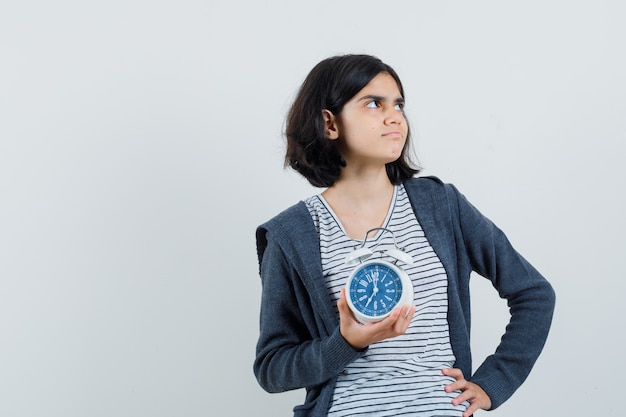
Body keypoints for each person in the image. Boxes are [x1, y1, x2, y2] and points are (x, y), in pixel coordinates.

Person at [253, 54, 555, 417]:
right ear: (329, 123)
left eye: (398, 104)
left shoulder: (441, 205)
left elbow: (534, 293)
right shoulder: (291, 235)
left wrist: (493, 382)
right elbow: (272, 367)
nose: (394, 116)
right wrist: (345, 342)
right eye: (373, 103)